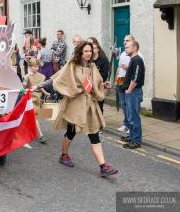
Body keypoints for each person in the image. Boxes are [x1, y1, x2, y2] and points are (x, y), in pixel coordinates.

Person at [34, 41, 118, 176]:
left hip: (90, 106)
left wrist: (103, 85)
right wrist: (38, 86)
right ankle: (64, 155)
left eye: (90, 51)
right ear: (80, 52)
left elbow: (96, 84)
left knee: (94, 134)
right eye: (86, 51)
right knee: (71, 132)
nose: (88, 53)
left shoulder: (92, 67)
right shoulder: (72, 65)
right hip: (75, 105)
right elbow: (56, 78)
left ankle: (103, 166)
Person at [121, 40, 145, 149]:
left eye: (127, 47)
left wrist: (129, 90)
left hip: (134, 93)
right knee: (130, 116)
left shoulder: (137, 60)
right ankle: (131, 136)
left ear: (134, 48)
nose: (125, 49)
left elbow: (135, 77)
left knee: (134, 117)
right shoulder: (133, 60)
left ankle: (136, 140)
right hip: (131, 93)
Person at [23, 58, 50, 144]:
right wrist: (24, 91)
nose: (36, 68)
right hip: (30, 98)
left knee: (35, 116)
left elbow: (40, 86)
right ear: (30, 67)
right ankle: (41, 135)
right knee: (35, 117)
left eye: (37, 66)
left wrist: (46, 93)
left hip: (38, 98)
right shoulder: (27, 77)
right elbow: (23, 88)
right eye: (34, 66)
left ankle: (27, 131)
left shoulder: (40, 76)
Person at [88, 37, 110, 133]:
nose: (92, 50)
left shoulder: (103, 59)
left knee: (100, 105)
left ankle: (100, 125)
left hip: (100, 85)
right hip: (90, 85)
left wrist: (98, 81)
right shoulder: (89, 59)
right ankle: (92, 122)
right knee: (91, 104)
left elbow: (105, 74)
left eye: (94, 48)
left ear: (98, 49)